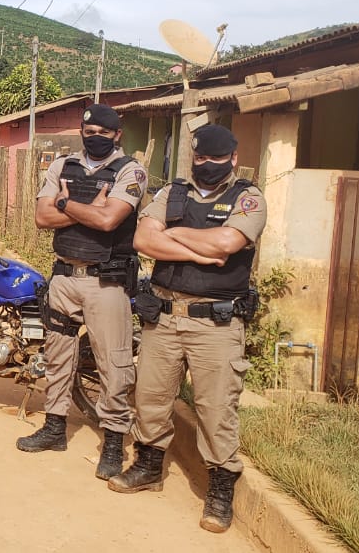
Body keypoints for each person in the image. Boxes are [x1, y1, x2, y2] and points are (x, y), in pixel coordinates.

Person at [108, 124, 266, 534]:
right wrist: (197, 248)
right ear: (192, 157)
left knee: (215, 408)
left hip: (215, 323)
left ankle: (220, 488)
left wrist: (174, 233)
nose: (207, 164)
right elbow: (145, 241)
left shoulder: (247, 198)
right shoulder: (171, 193)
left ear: (233, 159)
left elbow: (227, 243)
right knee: (151, 396)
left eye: (216, 158)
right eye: (200, 158)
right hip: (164, 315)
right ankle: (148, 466)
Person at [18, 104, 146, 482]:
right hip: (64, 278)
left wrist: (64, 202)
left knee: (113, 365)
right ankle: (55, 427)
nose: (95, 138)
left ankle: (113, 442)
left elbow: (109, 221)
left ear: (117, 135)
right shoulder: (62, 166)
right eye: (89, 132)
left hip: (105, 283)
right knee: (58, 356)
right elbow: (42, 218)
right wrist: (85, 207)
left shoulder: (130, 171)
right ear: (81, 132)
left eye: (104, 133)